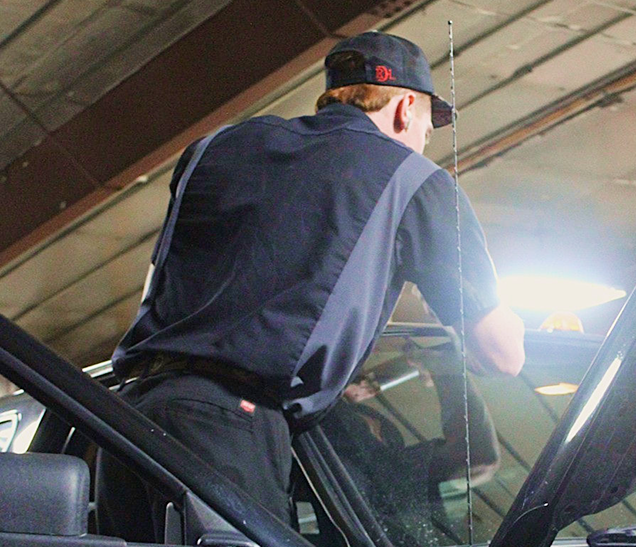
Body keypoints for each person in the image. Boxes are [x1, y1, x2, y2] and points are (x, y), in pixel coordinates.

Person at [96, 30, 525, 541]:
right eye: (427, 128)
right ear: (406, 108)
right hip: (230, 430)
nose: (424, 141)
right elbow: (503, 355)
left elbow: (160, 283)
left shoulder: (214, 148)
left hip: (124, 421)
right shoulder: (416, 181)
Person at [325, 341, 501, 546]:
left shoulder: (378, 488)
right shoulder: (380, 483)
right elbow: (479, 457)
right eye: (371, 431)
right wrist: (440, 362)